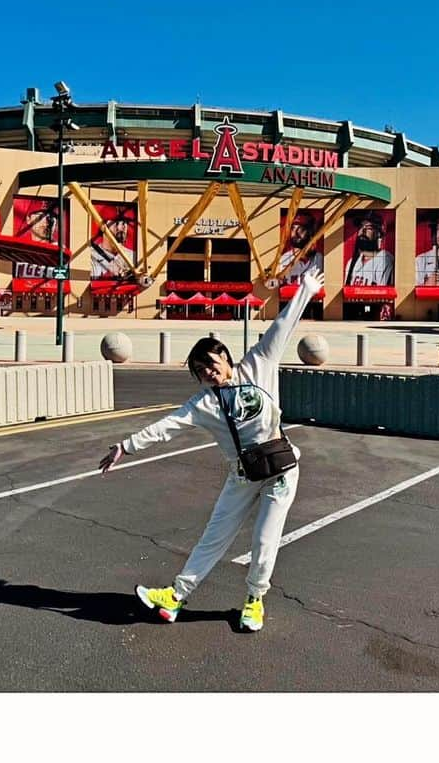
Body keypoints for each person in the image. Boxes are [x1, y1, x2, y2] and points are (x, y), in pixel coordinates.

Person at [98, 266, 324, 633]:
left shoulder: (259, 364)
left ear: (225, 357)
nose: (208, 372)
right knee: (212, 538)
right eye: (200, 369)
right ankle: (175, 596)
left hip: (280, 472)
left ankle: (254, 600)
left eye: (211, 363)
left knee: (265, 540)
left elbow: (283, 326)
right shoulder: (202, 404)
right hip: (241, 475)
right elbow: (166, 427)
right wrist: (126, 446)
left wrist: (305, 291)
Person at [344, 211, 395, 286]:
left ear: (379, 233)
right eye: (360, 227)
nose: (362, 231)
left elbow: (383, 296)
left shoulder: (385, 260)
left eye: (369, 228)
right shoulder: (351, 262)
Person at [278, 212, 324, 286]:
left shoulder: (319, 258)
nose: (295, 233)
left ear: (310, 232)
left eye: (301, 229)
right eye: (293, 228)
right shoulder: (283, 259)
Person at [90, 209, 134, 279]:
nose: (122, 227)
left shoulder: (133, 256)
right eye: (116, 222)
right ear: (102, 227)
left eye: (124, 222)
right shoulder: (91, 255)